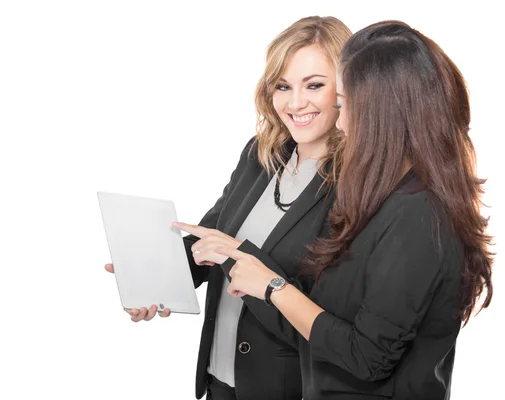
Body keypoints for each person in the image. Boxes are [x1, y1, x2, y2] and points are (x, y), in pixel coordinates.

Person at [215, 20, 494, 399]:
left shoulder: (418, 214)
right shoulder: (384, 197)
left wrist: (273, 287)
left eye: (345, 105)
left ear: (385, 113)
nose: (340, 121)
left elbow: (368, 357)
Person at [104, 16, 352, 400]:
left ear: (346, 89)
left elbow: (328, 316)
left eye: (314, 85)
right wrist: (152, 277)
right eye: (283, 86)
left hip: (284, 387)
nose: (295, 102)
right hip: (220, 379)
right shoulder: (261, 153)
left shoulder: (357, 183)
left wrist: (238, 257)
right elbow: (214, 235)